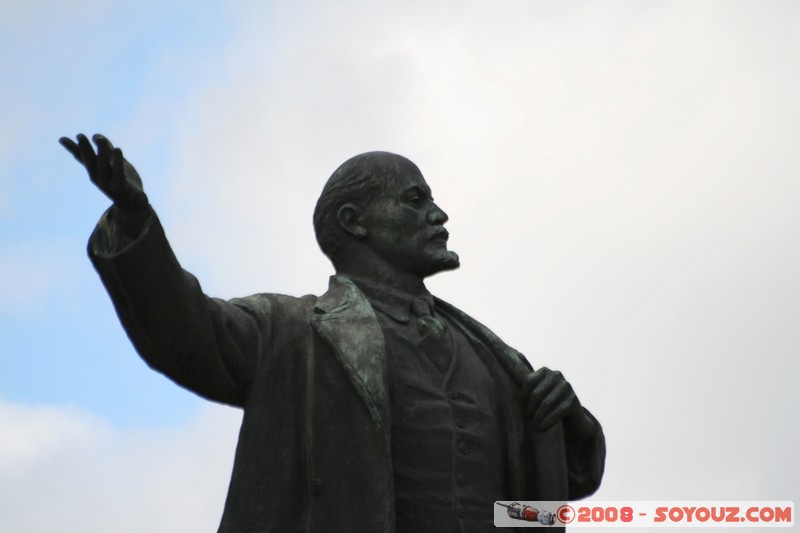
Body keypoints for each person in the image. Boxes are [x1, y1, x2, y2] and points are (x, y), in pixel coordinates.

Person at [60, 133, 605, 533]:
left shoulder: (491, 358)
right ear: (354, 221)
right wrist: (135, 219)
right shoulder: (290, 332)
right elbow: (187, 332)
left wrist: (566, 426)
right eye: (415, 200)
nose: (439, 214)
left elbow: (546, 502)